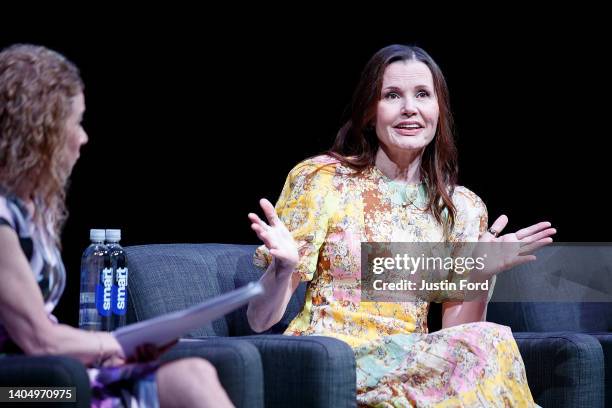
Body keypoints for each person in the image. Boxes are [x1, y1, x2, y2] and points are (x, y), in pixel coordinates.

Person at [246, 44, 556, 407]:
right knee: (491, 342)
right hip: (333, 358)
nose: (409, 107)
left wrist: (480, 273)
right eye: (392, 95)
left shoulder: (463, 209)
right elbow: (259, 320)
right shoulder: (322, 179)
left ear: (438, 110)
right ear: (369, 112)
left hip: (415, 364)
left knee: (487, 339)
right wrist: (283, 269)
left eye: (422, 94)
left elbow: (461, 339)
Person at [0, 44, 234, 408]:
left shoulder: (29, 208)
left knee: (194, 375)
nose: (83, 138)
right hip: (19, 390)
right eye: (74, 123)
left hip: (47, 375)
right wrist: (112, 345)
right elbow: (38, 340)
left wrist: (108, 351)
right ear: (38, 131)